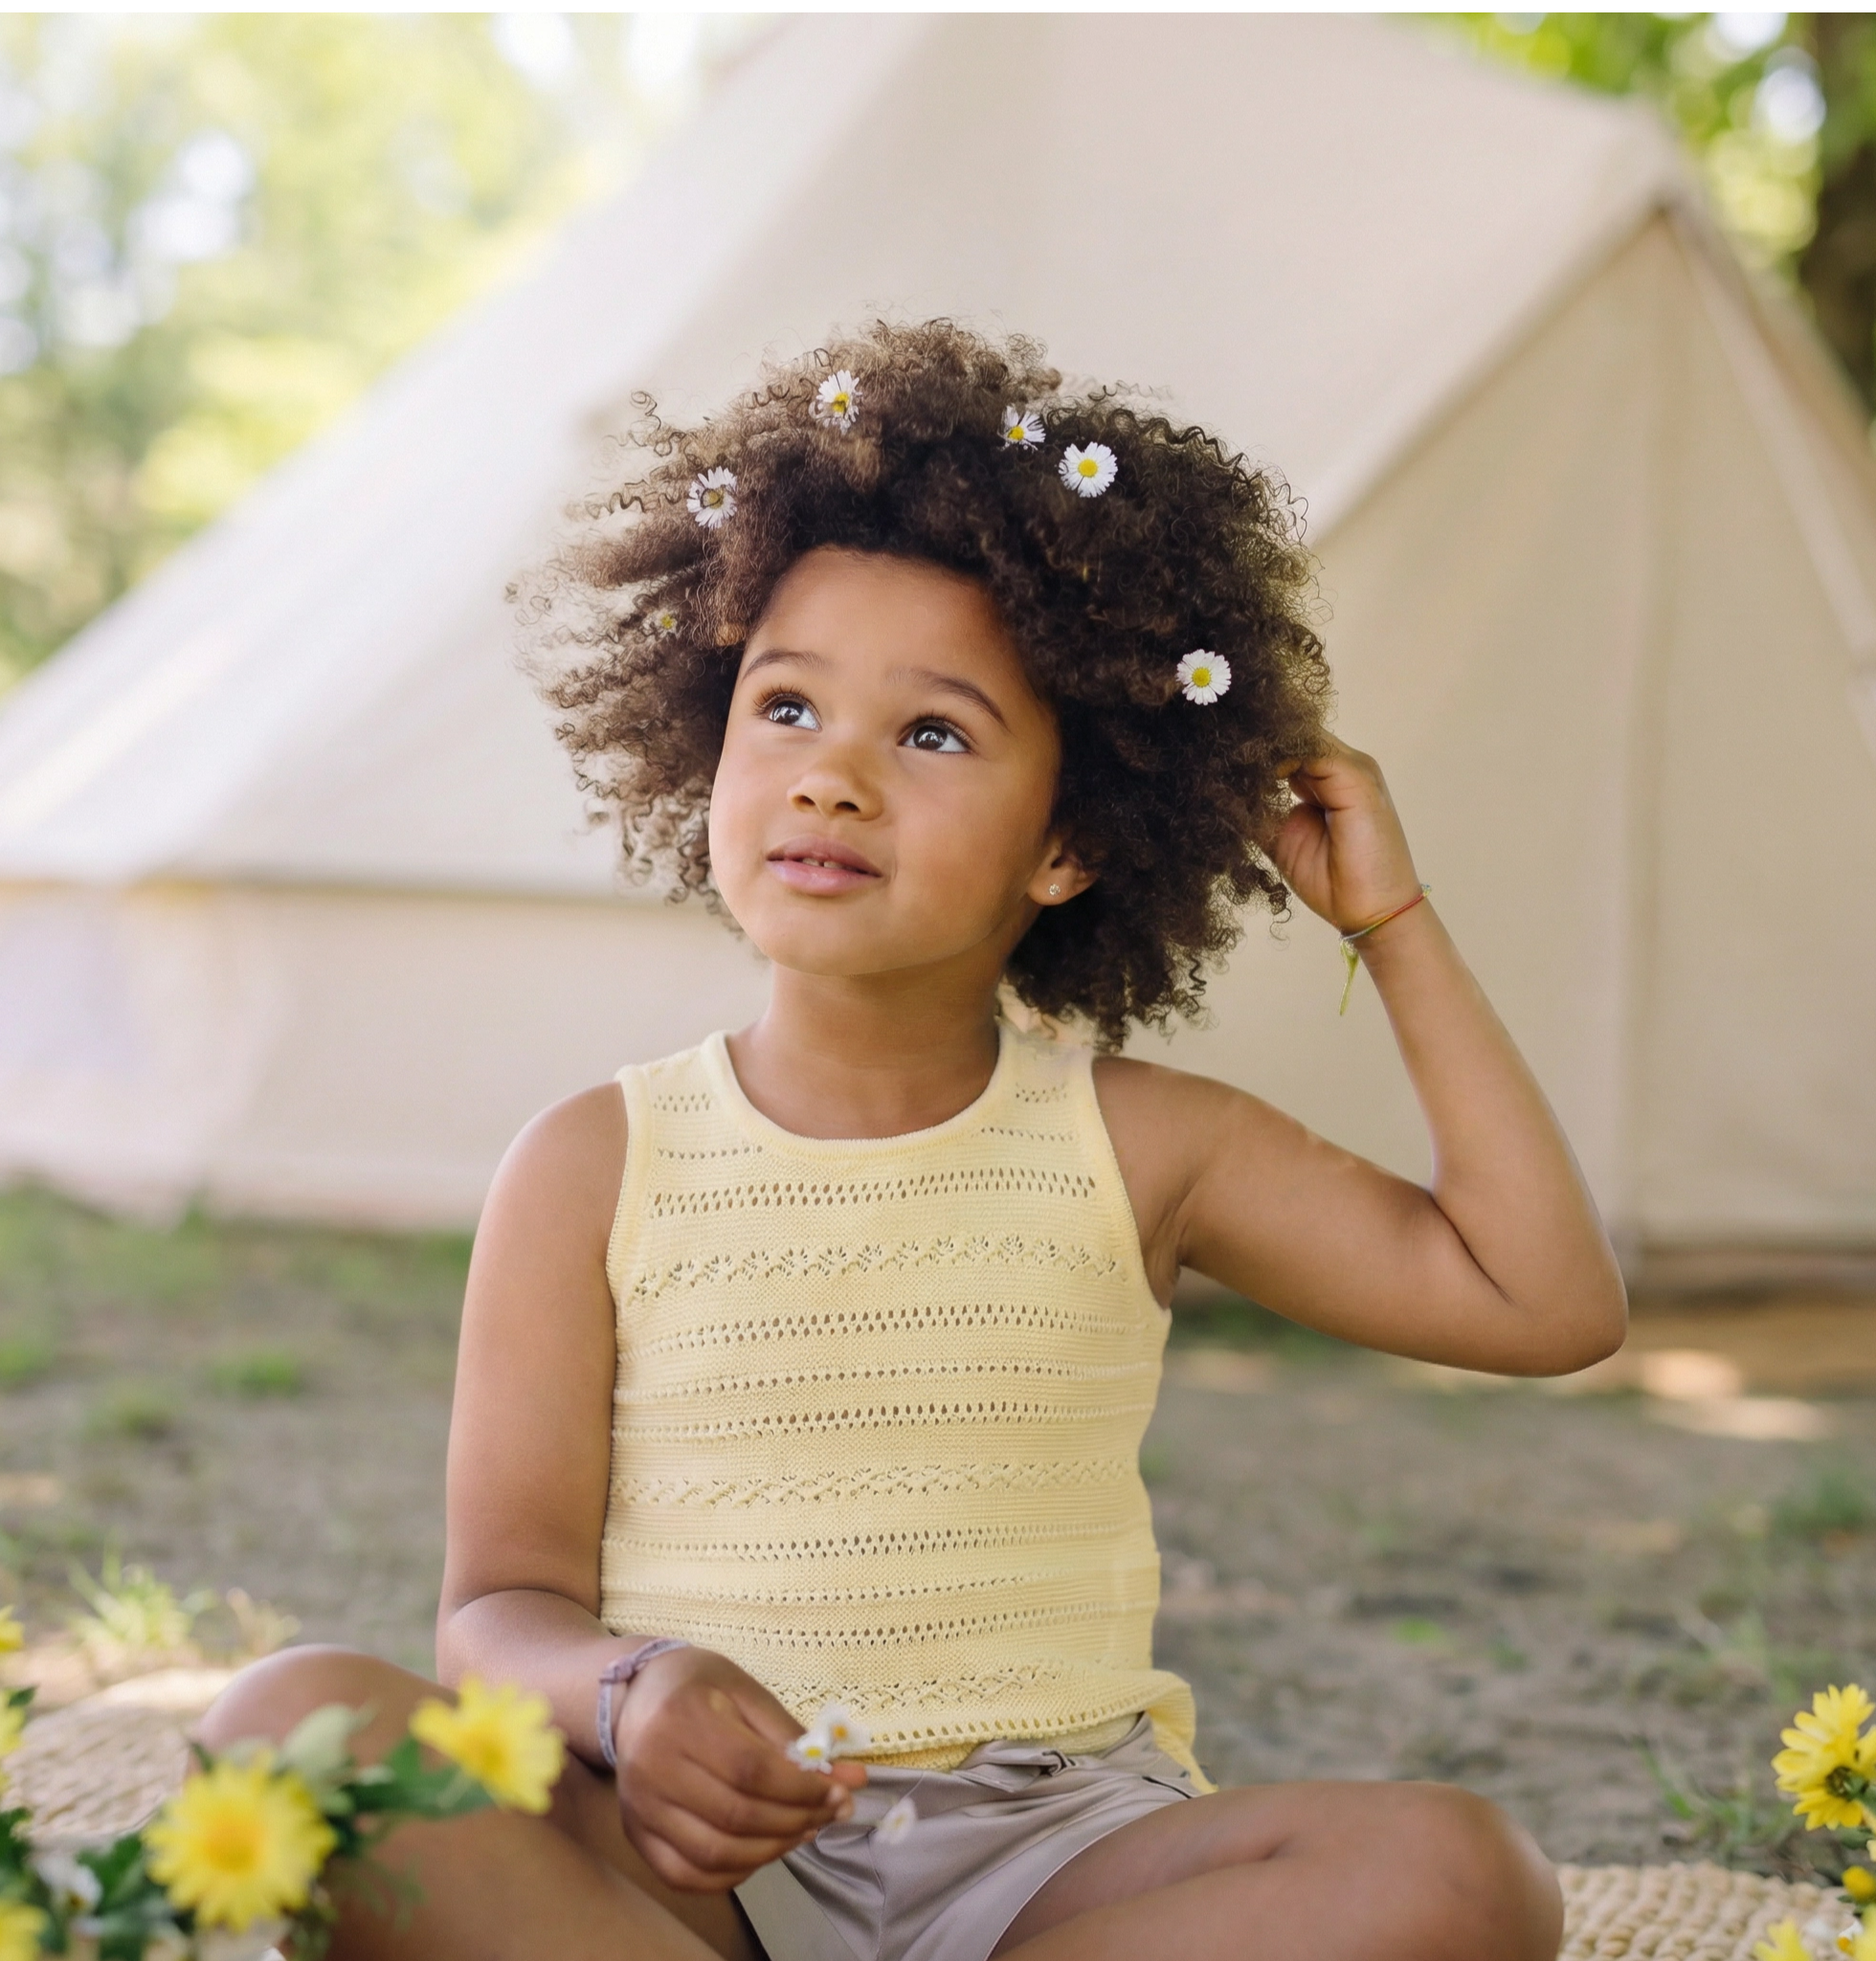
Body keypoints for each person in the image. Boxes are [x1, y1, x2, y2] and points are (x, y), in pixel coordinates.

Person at [202, 322, 1624, 1959]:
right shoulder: (592, 1163)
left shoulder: (1145, 1143)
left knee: (1465, 1876)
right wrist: (635, 1691)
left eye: (932, 734)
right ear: (709, 746)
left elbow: (1544, 1305)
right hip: (690, 1864)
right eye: (785, 707)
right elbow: (493, 1615)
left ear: (1073, 842)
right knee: (292, 1723)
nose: (833, 780)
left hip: (1059, 1867)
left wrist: (1395, 922)